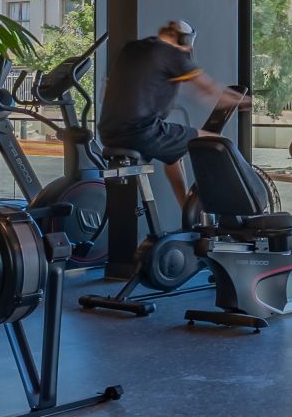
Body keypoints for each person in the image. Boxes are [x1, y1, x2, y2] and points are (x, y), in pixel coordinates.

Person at [98, 19, 247, 272]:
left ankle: (189, 217)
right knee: (218, 142)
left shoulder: (133, 49)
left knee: (173, 156)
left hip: (110, 133)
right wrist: (245, 101)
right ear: (185, 41)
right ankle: (236, 208)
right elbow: (209, 92)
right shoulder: (172, 53)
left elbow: (107, 92)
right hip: (142, 132)